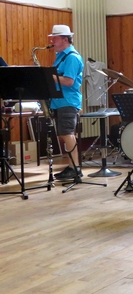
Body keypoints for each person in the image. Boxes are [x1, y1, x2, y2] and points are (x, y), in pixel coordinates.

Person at [48, 25, 85, 180]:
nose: (51, 41)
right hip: (59, 101)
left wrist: (48, 77)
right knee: (65, 133)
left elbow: (69, 81)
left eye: (54, 38)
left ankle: (75, 168)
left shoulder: (71, 57)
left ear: (65, 39)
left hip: (67, 101)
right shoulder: (61, 56)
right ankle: (71, 166)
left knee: (67, 133)